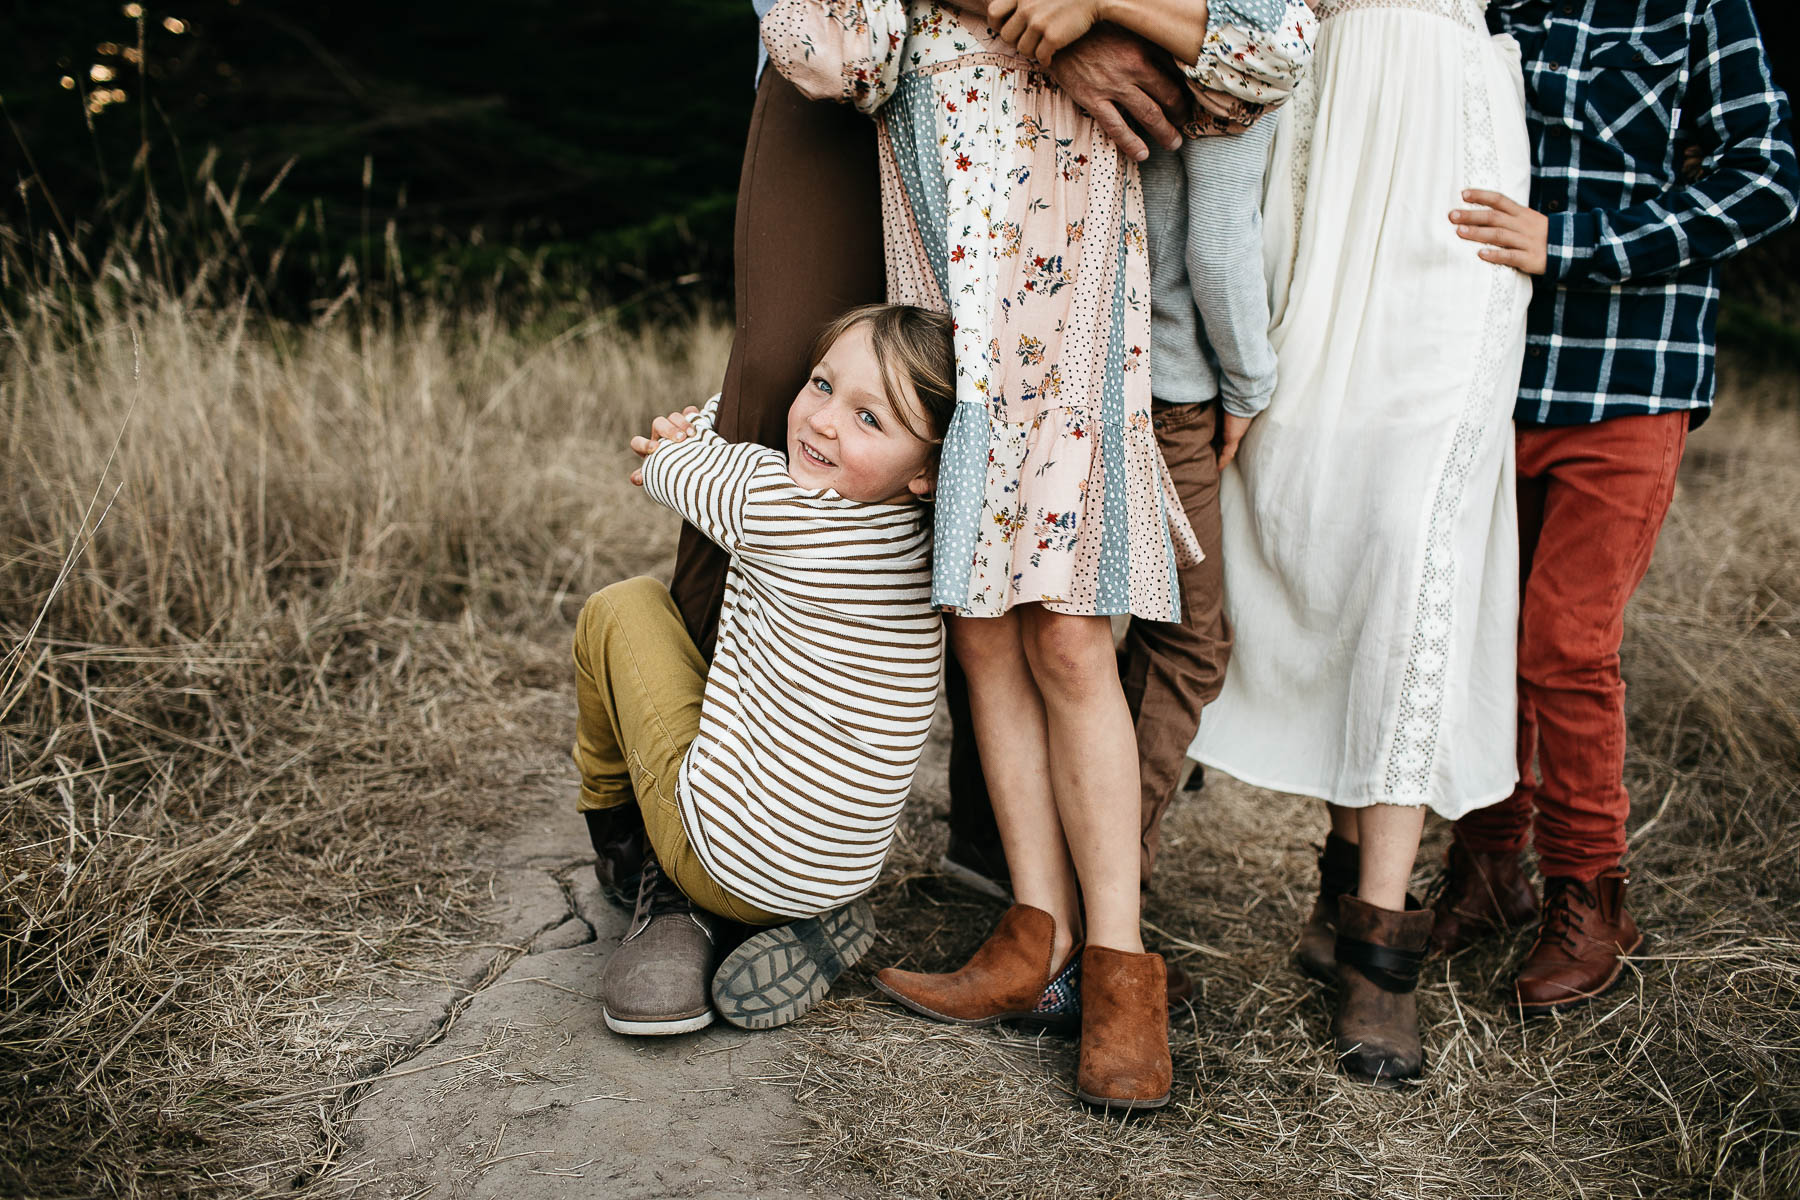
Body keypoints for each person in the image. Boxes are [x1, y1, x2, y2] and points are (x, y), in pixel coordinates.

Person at [762, 0, 1304, 1111]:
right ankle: (1036, 934)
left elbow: (1272, 47)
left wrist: (1095, 4)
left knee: (1065, 633)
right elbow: (829, 53)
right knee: (981, 631)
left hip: (1065, 302)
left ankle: (1120, 969)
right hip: (941, 296)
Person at [1426, 0, 1797, 1016]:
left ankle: (1592, 896)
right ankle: (1489, 867)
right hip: (1492, 372)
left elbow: (1765, 181)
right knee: (1479, 635)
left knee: (1564, 640)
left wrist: (1575, 242)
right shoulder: (1497, 8)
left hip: (1630, 380)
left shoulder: (1700, 9)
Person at [1188, 0, 1534, 1084]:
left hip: (1452, 152)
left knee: (1410, 537)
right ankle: (1340, 893)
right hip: (1318, 131)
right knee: (1317, 505)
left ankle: (1382, 952)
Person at [574, 304, 954, 1035]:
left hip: (726, 862)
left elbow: (667, 463)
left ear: (929, 468)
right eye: (820, 384)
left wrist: (689, 429)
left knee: (620, 609)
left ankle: (622, 843)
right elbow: (741, 456)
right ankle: (808, 917)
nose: (822, 422)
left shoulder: (777, 509)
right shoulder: (919, 541)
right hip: (842, 869)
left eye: (869, 419)